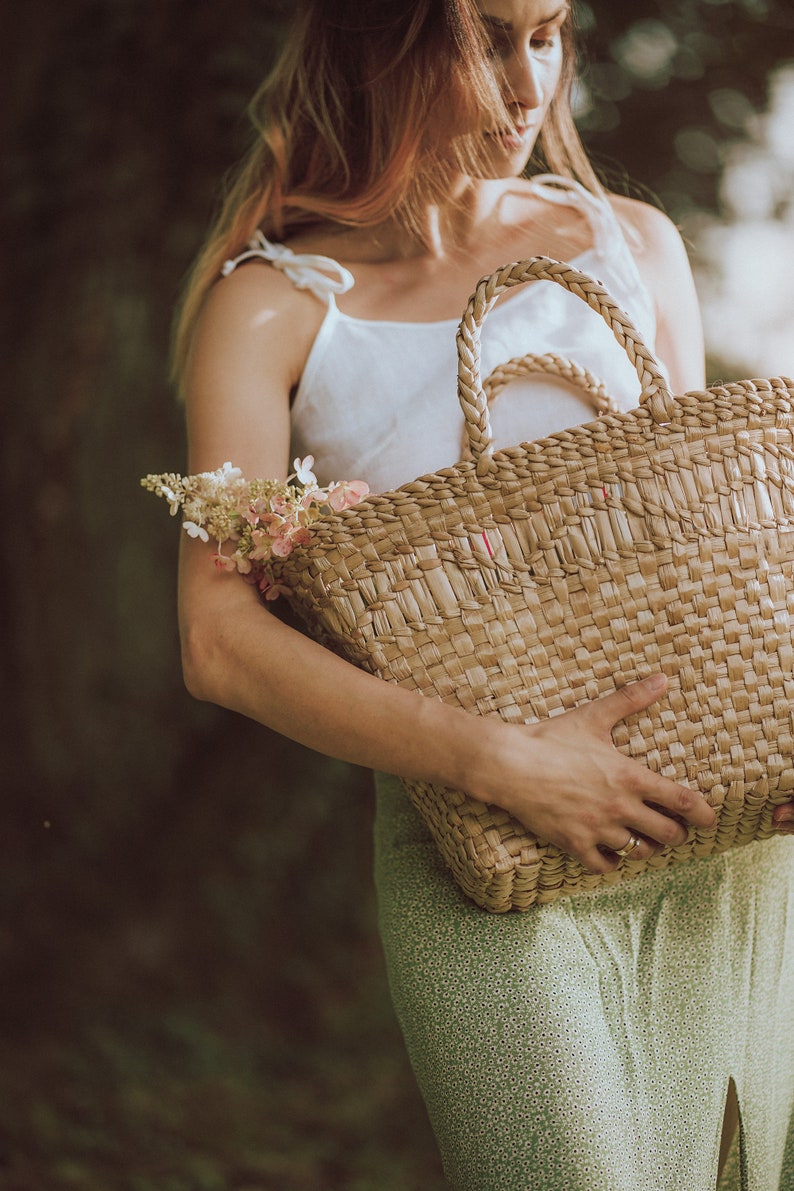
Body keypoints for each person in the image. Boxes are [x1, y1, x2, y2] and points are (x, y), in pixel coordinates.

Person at [172, 1, 794, 1187]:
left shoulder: (631, 247)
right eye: (487, 38)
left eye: (549, 34)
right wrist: (499, 764)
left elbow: (704, 551)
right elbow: (217, 639)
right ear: (381, 41)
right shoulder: (272, 305)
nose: (530, 84)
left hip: (707, 832)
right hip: (484, 859)